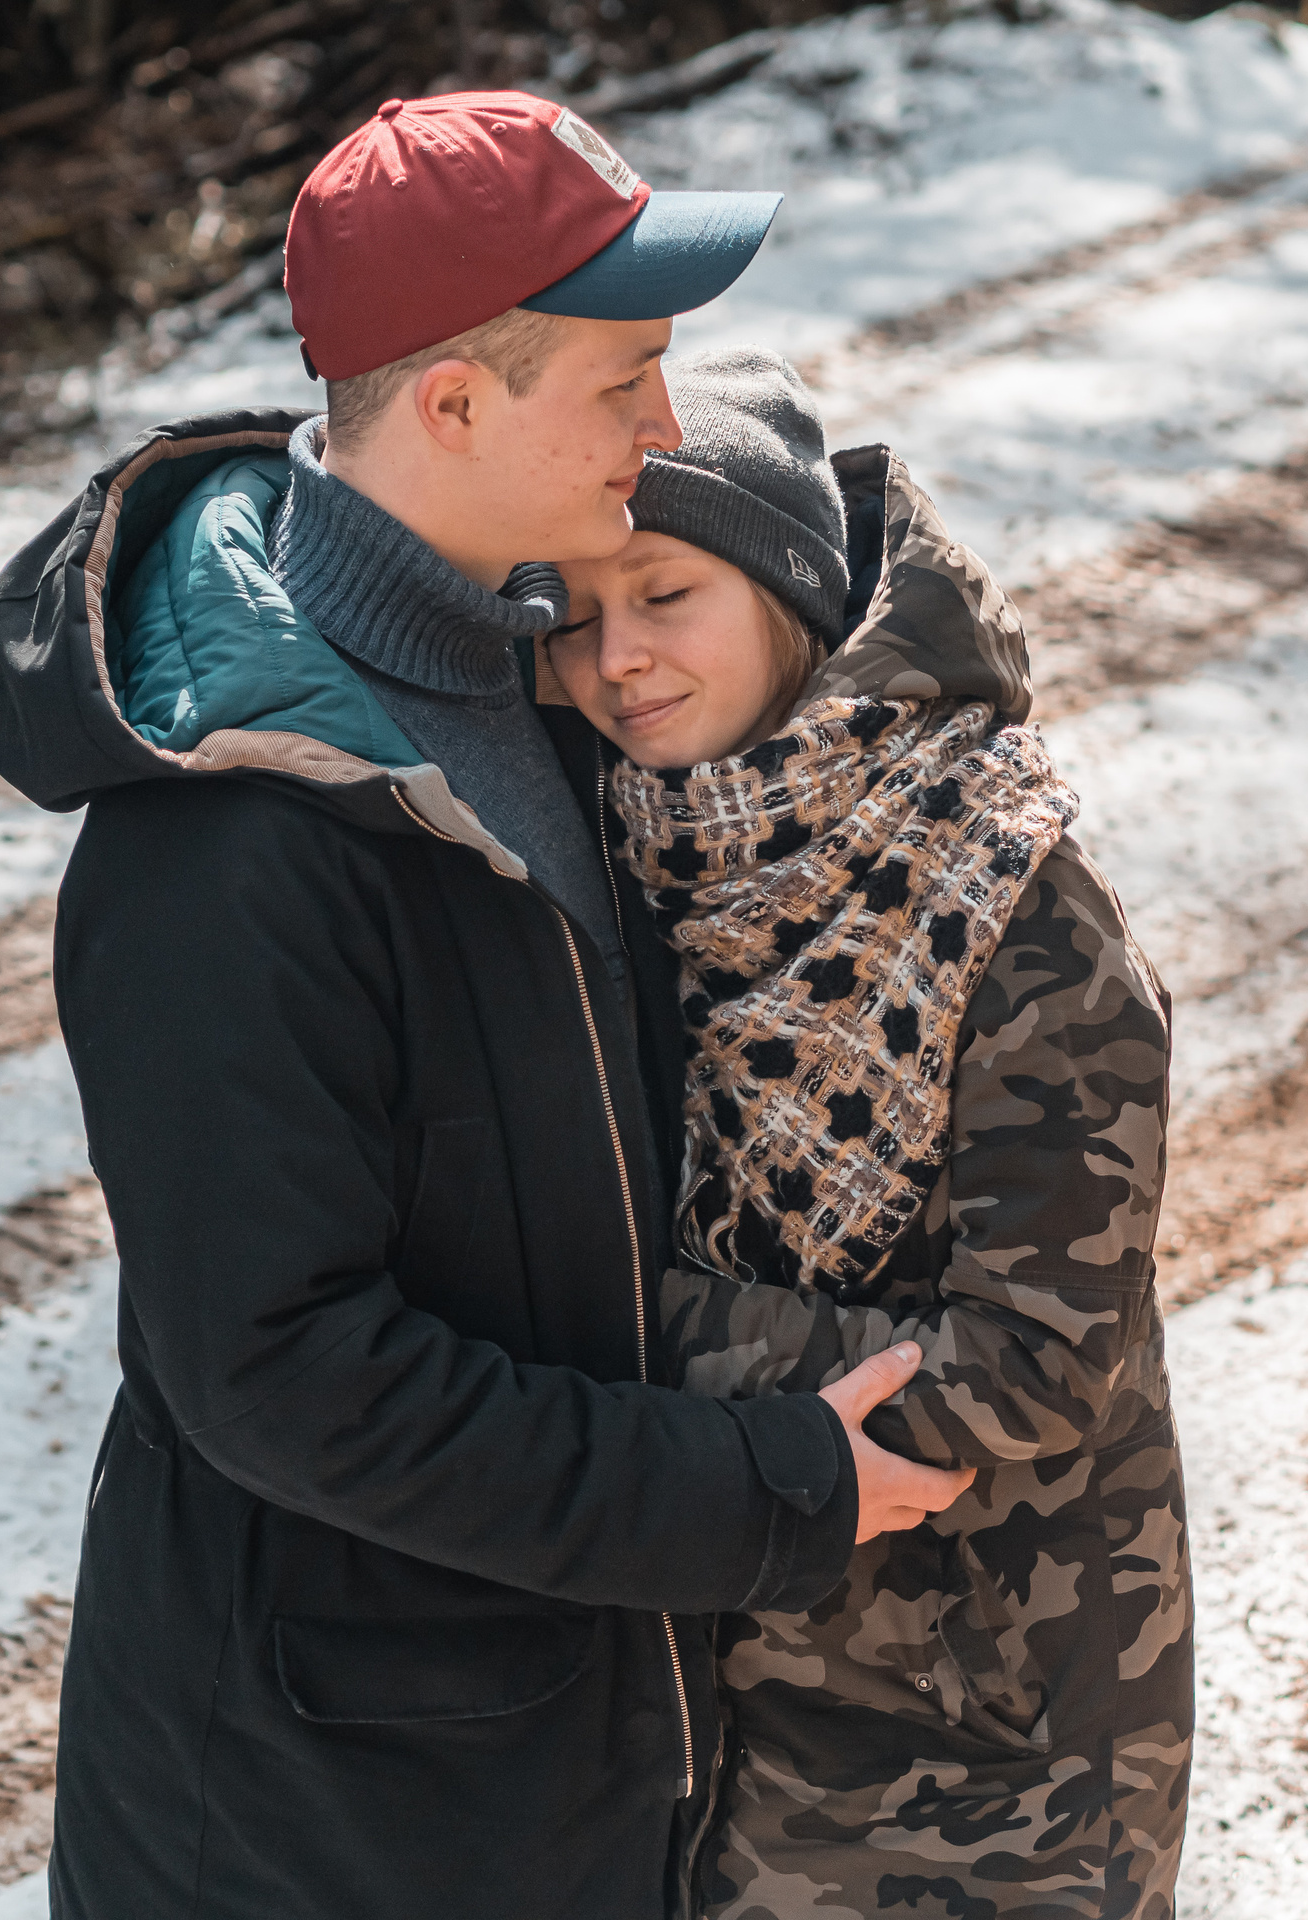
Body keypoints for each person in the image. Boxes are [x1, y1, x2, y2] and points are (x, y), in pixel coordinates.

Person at [0, 96, 970, 1920]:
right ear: (450, 408)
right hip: (323, 1831)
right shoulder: (224, 852)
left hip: (566, 1768)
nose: (668, 426)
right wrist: (751, 1492)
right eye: (623, 383)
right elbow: (283, 1375)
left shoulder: (555, 692)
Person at [546, 349, 1193, 1919]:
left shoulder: (1008, 899)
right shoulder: (625, 861)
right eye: (572, 614)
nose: (617, 658)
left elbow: (1033, 1359)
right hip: (716, 1692)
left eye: (663, 594)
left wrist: (610, 1347)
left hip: (988, 1726)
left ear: (782, 591)